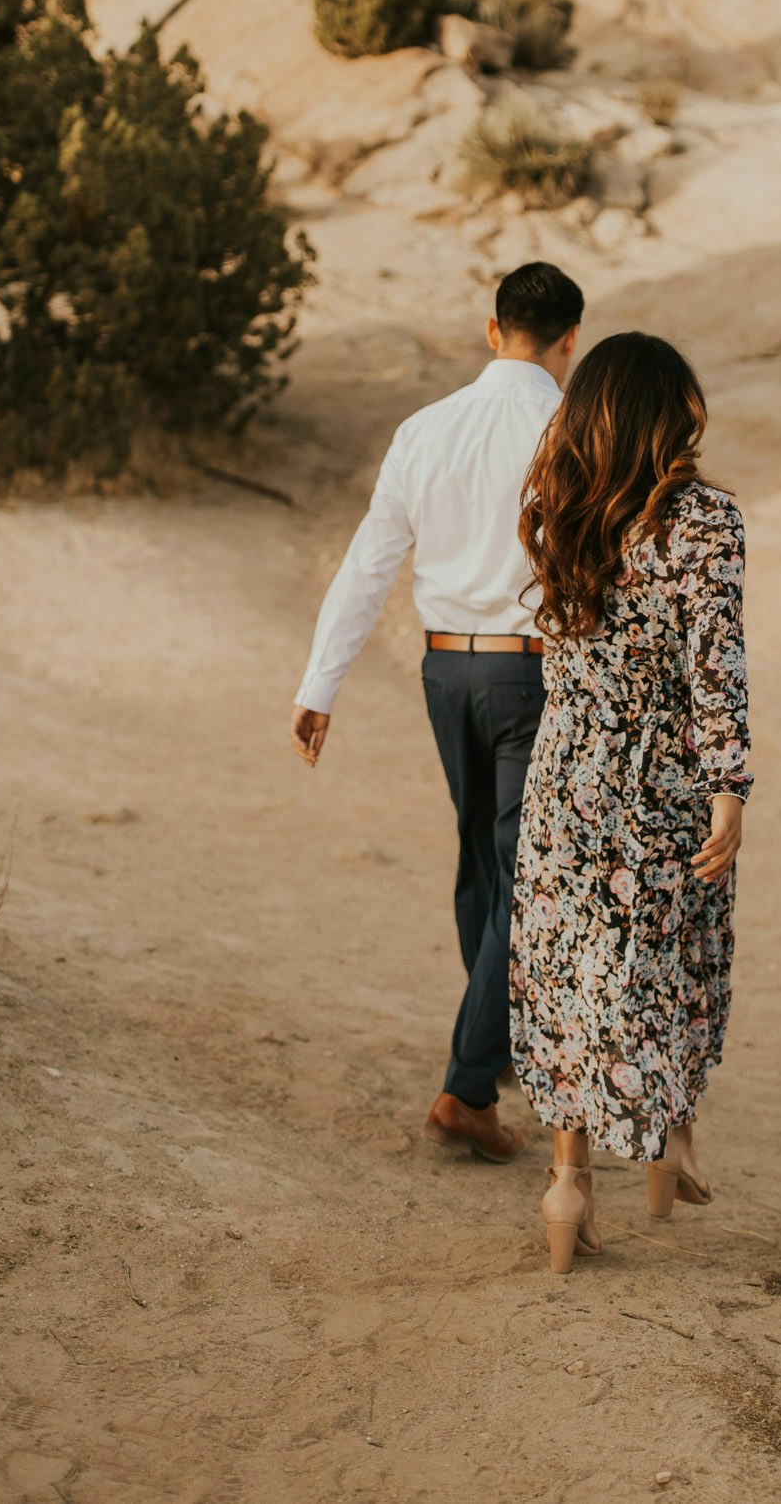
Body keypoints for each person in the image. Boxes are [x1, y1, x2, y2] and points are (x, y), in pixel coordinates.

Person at [291, 262, 584, 1160]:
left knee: (482, 863)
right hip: (530, 675)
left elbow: (369, 561)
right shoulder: (572, 429)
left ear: (491, 332)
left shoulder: (423, 428)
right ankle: (466, 1084)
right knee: (525, 873)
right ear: (571, 342)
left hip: (442, 671)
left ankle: (483, 1059)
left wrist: (319, 685)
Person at [509, 332, 752, 1272]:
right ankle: (673, 1145)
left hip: (566, 772)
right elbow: (716, 671)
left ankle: (568, 1183)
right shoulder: (705, 522)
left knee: (571, 967)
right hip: (662, 777)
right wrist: (729, 786)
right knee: (674, 953)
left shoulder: (558, 504)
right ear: (670, 411)